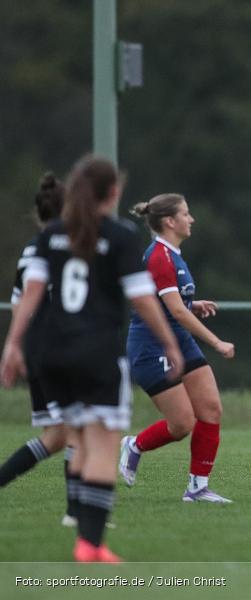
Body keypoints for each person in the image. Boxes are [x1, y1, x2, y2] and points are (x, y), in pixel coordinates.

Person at [0, 155, 183, 562]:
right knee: (100, 445)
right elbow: (141, 298)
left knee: (76, 439)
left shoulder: (51, 236)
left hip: (49, 353)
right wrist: (169, 342)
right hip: (96, 352)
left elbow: (29, 296)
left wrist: (13, 344)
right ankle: (91, 543)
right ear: (113, 193)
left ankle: (81, 527)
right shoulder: (118, 235)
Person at [119, 194, 235, 503]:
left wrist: (191, 304)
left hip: (178, 341)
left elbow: (175, 305)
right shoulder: (159, 257)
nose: (191, 219)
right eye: (186, 213)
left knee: (211, 409)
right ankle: (134, 446)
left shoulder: (173, 254)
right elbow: (177, 313)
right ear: (170, 221)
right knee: (182, 423)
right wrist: (217, 342)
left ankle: (197, 489)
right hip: (150, 346)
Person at [0, 173, 78, 526]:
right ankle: (77, 513)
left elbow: (20, 304)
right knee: (80, 429)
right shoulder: (70, 247)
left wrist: (18, 347)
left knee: (56, 436)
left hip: (38, 352)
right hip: (67, 350)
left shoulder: (32, 249)